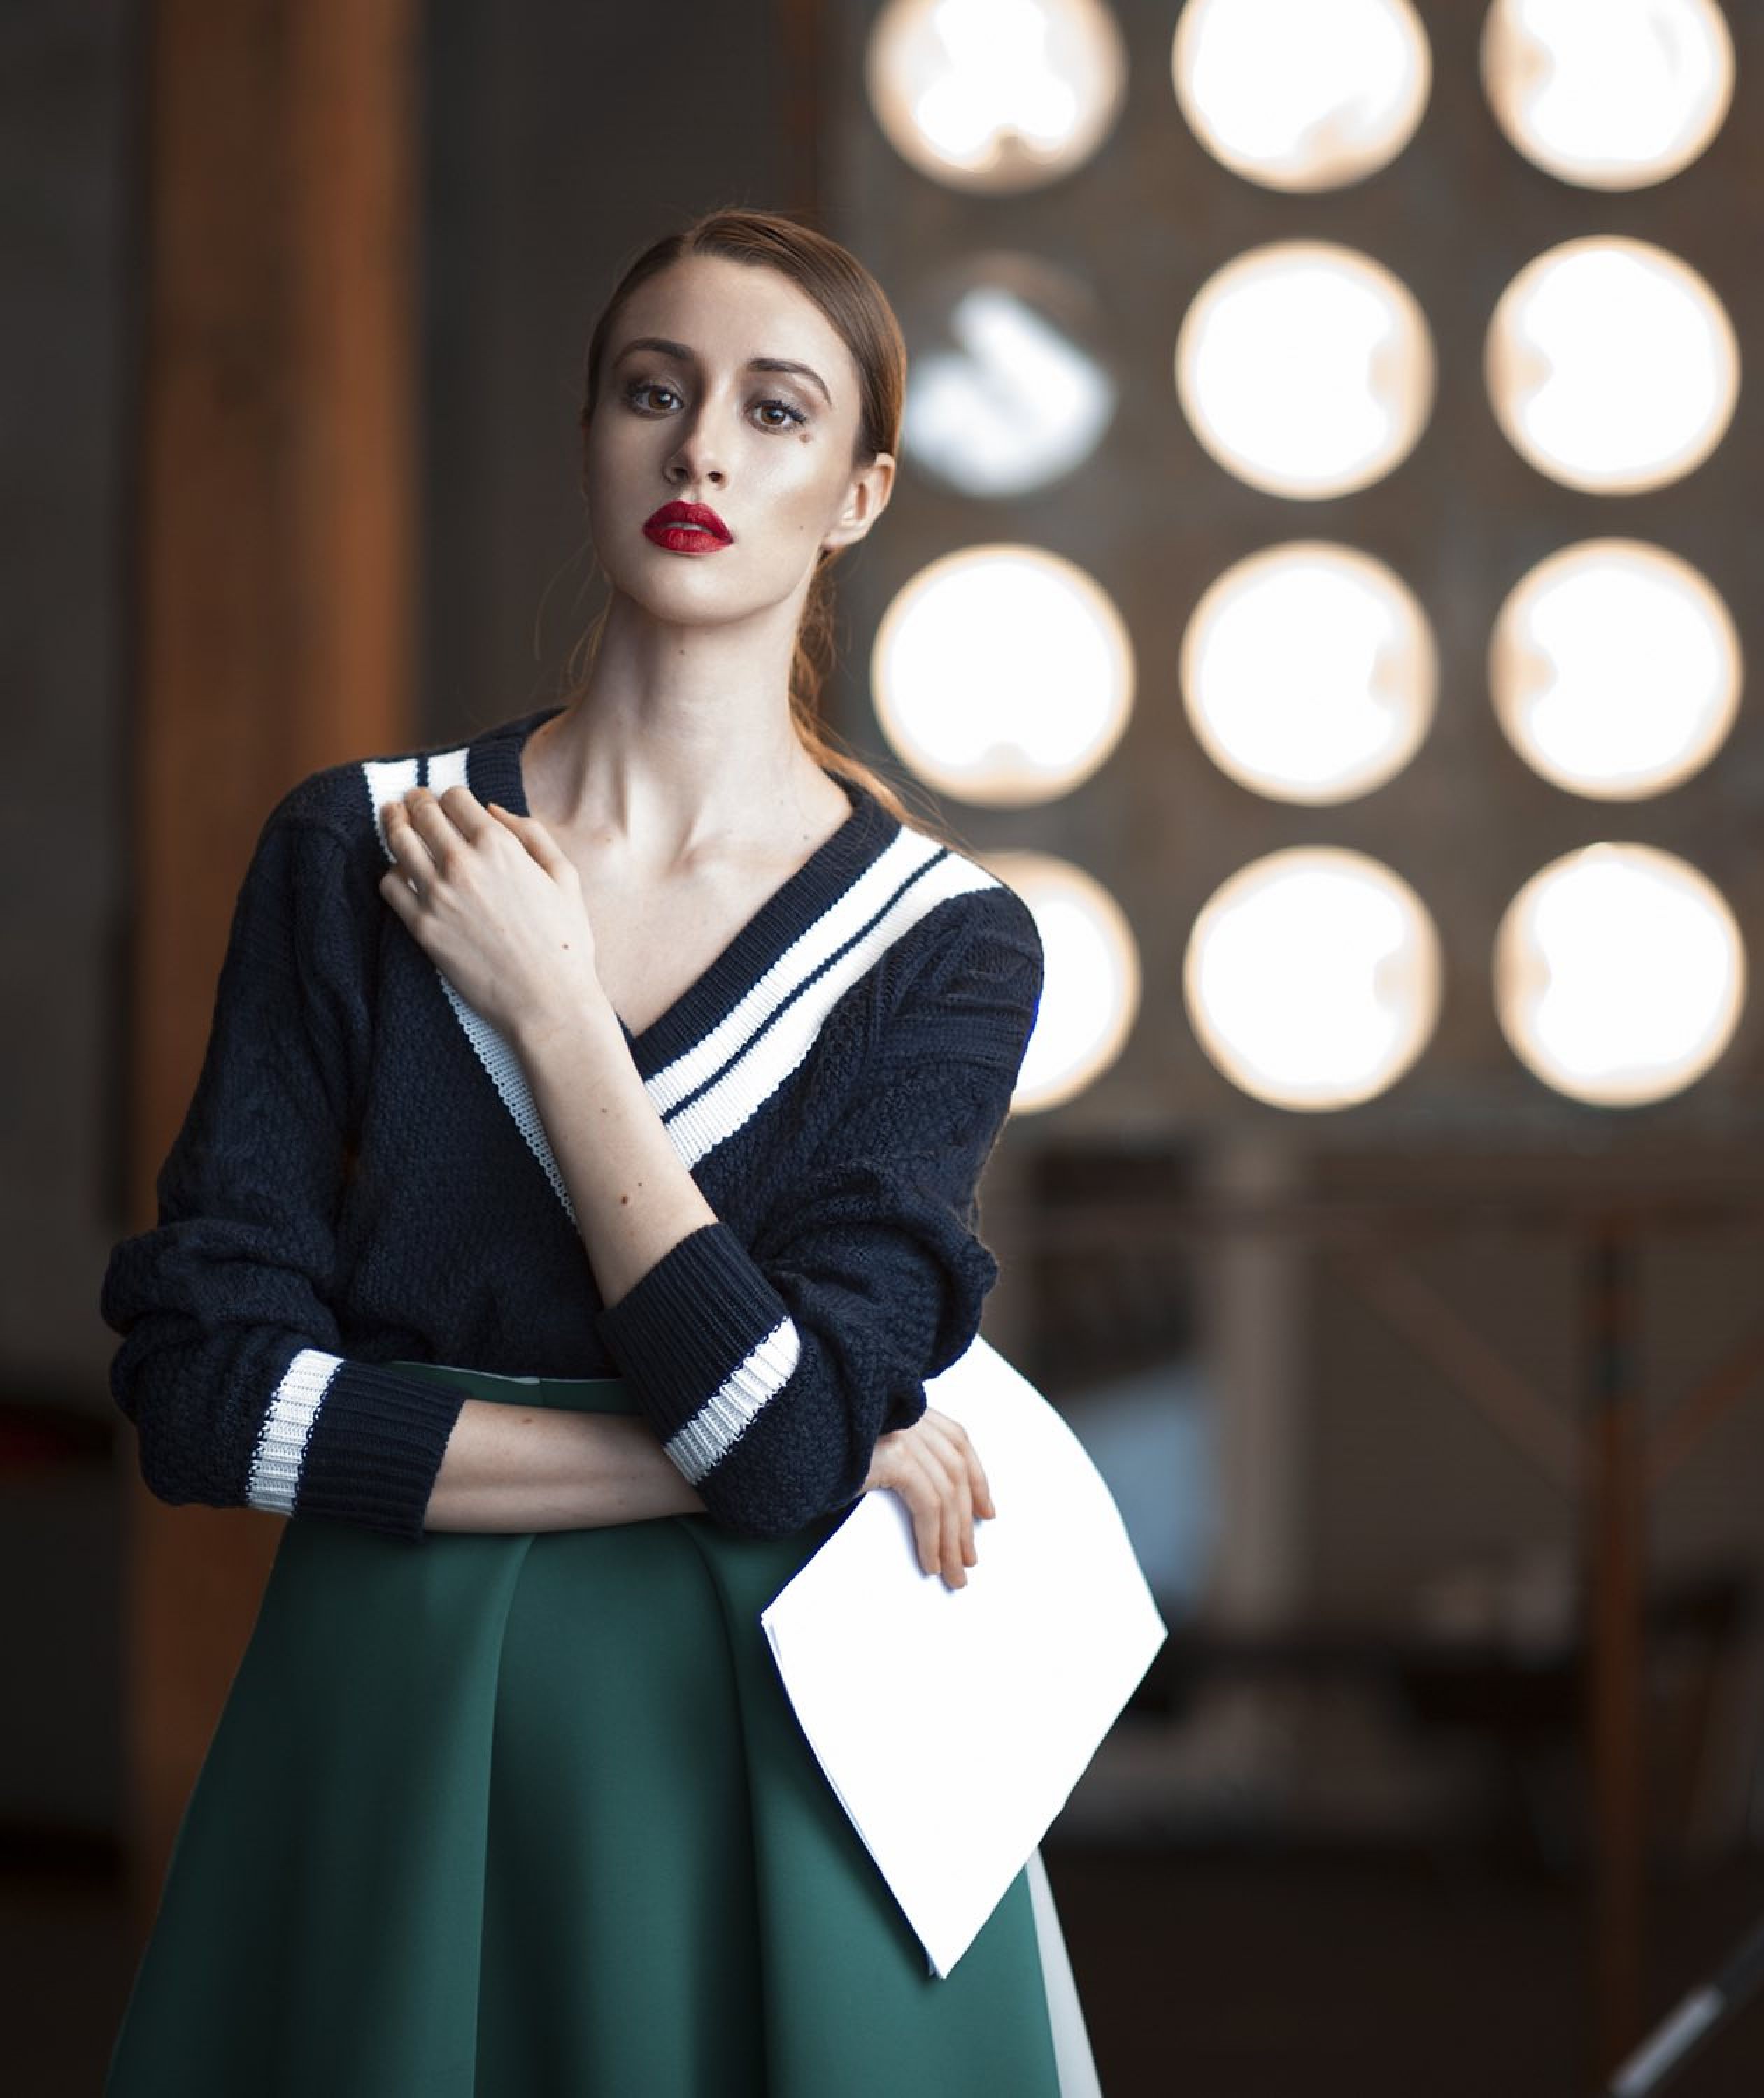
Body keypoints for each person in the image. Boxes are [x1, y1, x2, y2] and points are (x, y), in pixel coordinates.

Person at [99, 206, 1098, 2095]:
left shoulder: (947, 947)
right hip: (384, 1720)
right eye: (656, 391)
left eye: (775, 411)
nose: (702, 448)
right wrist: (743, 1459)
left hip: (775, 1757)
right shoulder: (359, 848)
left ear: (860, 493)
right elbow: (209, 1400)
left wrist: (557, 1014)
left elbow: (792, 1444)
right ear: (594, 438)